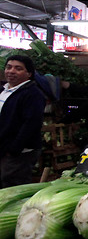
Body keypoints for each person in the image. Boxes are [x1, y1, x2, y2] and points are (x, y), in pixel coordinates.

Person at [0, 55, 47, 188]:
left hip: (20, 151)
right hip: (4, 147)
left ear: (29, 74)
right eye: (8, 67)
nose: (11, 71)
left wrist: (14, 149)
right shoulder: (4, 90)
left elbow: (32, 123)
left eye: (18, 68)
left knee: (12, 185)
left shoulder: (33, 94)